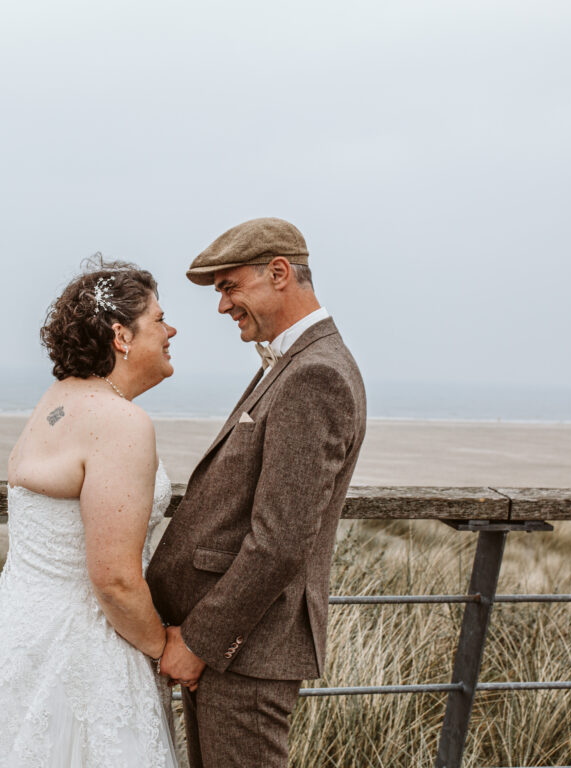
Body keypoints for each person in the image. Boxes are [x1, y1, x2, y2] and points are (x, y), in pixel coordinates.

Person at [0, 258, 179, 768]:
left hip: (15, 632)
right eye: (159, 319)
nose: (171, 329)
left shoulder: (56, 400)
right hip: (84, 649)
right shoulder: (121, 422)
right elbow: (113, 578)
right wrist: (163, 647)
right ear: (122, 335)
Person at [147, 217, 367, 768]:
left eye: (229, 288)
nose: (223, 307)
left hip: (245, 651)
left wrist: (201, 642)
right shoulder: (296, 362)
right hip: (236, 648)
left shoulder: (316, 374)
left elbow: (282, 540)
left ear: (279, 273)